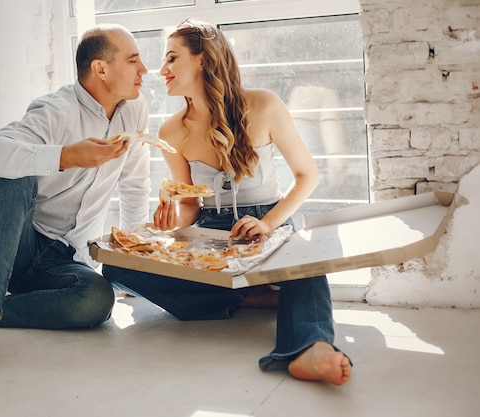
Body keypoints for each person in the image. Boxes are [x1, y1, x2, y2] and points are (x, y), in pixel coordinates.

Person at [102, 18, 352, 385]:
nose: (161, 69)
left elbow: (306, 176)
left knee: (308, 259)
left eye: (172, 58)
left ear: (202, 59)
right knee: (116, 269)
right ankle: (248, 298)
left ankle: (310, 347)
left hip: (269, 220)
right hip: (210, 231)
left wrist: (268, 224)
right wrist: (170, 222)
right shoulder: (172, 130)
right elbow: (190, 207)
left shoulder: (264, 105)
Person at [0, 24, 151, 359]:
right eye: (133, 61)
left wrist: (135, 263)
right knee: (16, 170)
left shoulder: (135, 111)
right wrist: (66, 156)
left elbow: (135, 185)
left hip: (66, 259)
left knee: (97, 301)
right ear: (101, 68)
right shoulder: (57, 110)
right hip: (12, 245)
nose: (145, 70)